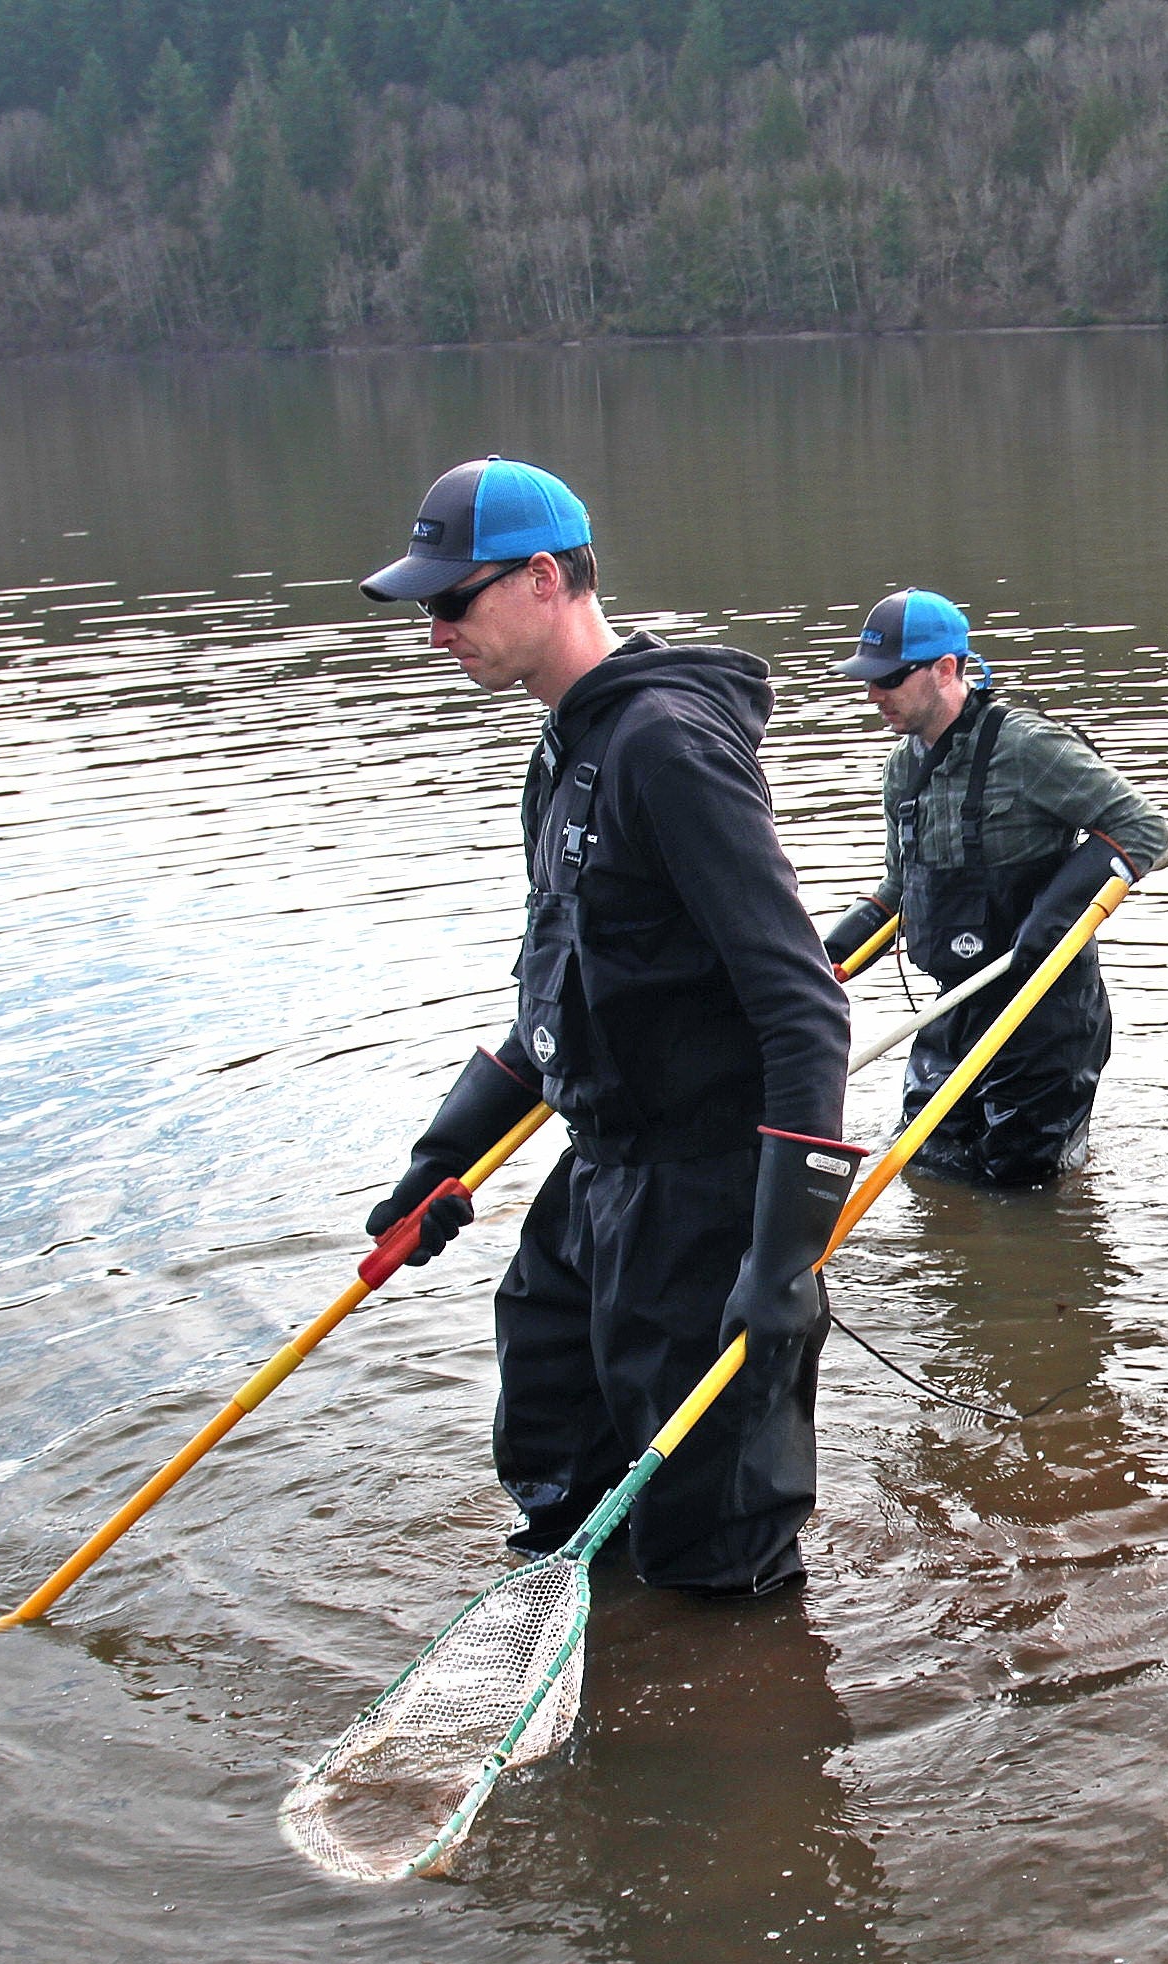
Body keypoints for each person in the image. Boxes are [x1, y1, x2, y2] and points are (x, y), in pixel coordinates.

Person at [353, 455, 860, 1596]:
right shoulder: (566, 749)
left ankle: (735, 1724)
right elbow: (563, 990)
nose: (435, 629)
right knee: (553, 1444)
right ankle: (591, 1659)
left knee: (708, 1541)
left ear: (542, 579)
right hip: (601, 1183)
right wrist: (441, 1160)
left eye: (452, 600)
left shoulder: (666, 746)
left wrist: (782, 1261)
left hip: (707, 1195)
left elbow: (803, 1007)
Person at [817, 588, 1168, 1188]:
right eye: (867, 680)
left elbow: (1142, 828)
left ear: (945, 670)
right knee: (929, 1167)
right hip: (954, 1007)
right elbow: (897, 890)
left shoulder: (1027, 746)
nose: (873, 695)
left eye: (889, 679)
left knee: (1019, 1191)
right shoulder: (902, 766)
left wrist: (1051, 921)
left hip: (1043, 1013)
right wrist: (824, 963)